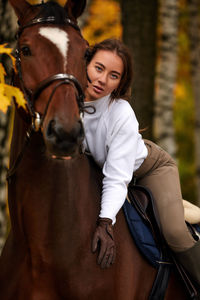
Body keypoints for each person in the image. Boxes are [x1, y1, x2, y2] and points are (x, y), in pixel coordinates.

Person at [82, 38, 200, 284]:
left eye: (114, 76)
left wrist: (105, 223)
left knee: (175, 232)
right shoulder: (65, 100)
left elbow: (117, 177)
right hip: (104, 170)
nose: (102, 80)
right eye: (98, 68)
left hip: (148, 168)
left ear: (120, 83)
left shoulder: (120, 112)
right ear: (85, 63)